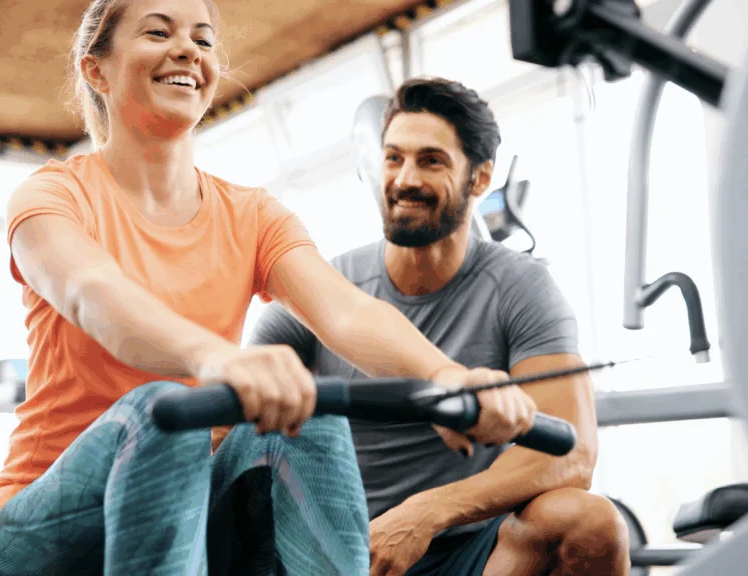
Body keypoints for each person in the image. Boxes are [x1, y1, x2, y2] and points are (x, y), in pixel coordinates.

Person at [0, 1, 543, 574]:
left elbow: (344, 312)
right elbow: (92, 293)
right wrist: (216, 359)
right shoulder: (52, 196)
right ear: (97, 70)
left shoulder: (252, 214)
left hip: (189, 519)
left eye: (204, 38)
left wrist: (448, 377)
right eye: (158, 32)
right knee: (166, 408)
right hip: (35, 539)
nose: (189, 49)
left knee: (306, 410)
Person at [250, 77, 632, 576]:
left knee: (589, 522)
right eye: (393, 158)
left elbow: (574, 453)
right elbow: (229, 432)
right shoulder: (324, 290)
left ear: (479, 178)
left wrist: (426, 513)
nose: (405, 179)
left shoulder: (521, 288)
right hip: (345, 554)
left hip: (471, 551)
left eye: (431, 160)